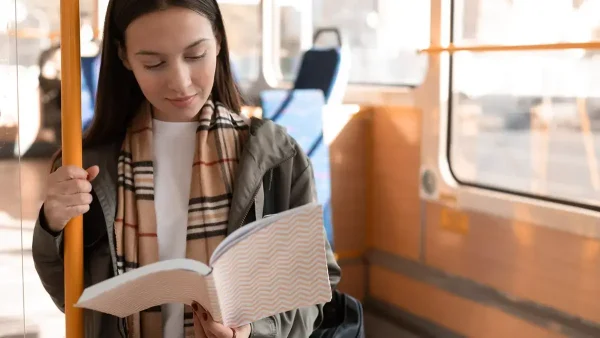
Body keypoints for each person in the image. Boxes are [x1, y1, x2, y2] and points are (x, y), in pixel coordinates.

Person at [31, 0, 341, 337]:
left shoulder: (278, 156)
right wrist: (52, 224)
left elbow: (312, 291)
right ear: (123, 57)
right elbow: (72, 298)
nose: (180, 82)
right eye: (153, 63)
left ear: (219, 42)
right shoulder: (89, 165)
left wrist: (251, 332)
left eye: (195, 56)